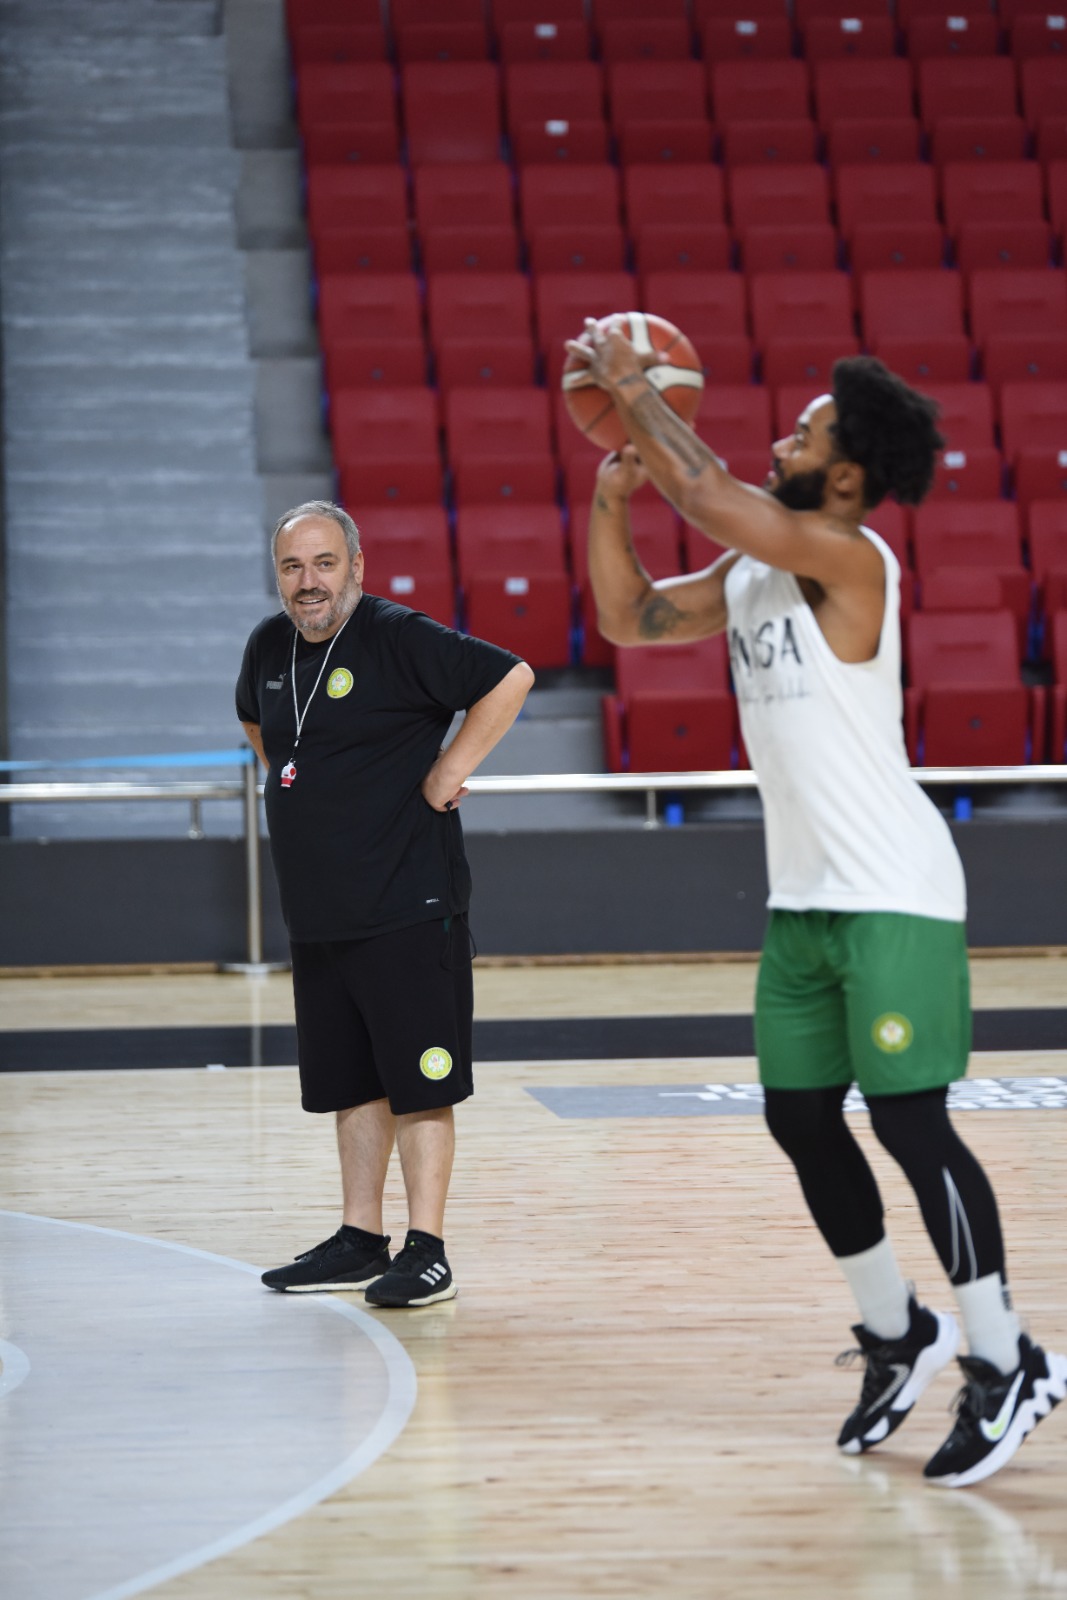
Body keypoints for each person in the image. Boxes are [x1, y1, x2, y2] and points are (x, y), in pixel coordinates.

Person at [567, 327, 1066, 1488]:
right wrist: (608, 499)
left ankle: (1006, 1358)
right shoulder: (752, 569)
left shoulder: (851, 558)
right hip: (802, 901)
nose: (779, 442)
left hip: (893, 893)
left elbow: (707, 490)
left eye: (804, 434)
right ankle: (897, 1331)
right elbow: (629, 620)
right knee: (797, 1118)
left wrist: (631, 387)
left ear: (844, 476)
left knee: (910, 1125)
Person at [236, 500, 534, 1307]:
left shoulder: (398, 636)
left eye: (324, 563)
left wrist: (445, 773)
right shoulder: (266, 645)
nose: (308, 581)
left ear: (356, 567)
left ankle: (426, 1249)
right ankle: (360, 1238)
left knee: (419, 1083)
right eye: (292, 566)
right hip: (319, 912)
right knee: (352, 1082)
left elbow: (509, 676)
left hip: (408, 903)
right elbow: (257, 724)